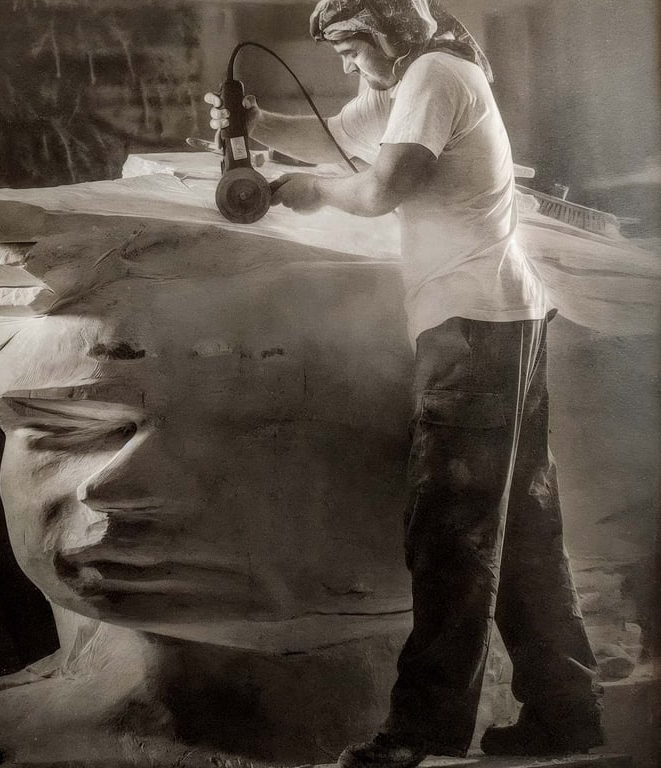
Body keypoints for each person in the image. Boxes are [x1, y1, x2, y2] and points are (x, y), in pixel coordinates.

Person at [206, 2, 603, 767]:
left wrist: (310, 190)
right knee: (522, 531)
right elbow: (342, 133)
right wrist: (254, 123)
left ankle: (422, 735)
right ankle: (566, 713)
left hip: (472, 332)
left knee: (448, 534)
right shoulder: (422, 72)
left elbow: (384, 185)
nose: (347, 67)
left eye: (352, 49)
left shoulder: (432, 74)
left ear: (385, 31)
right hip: (505, 318)